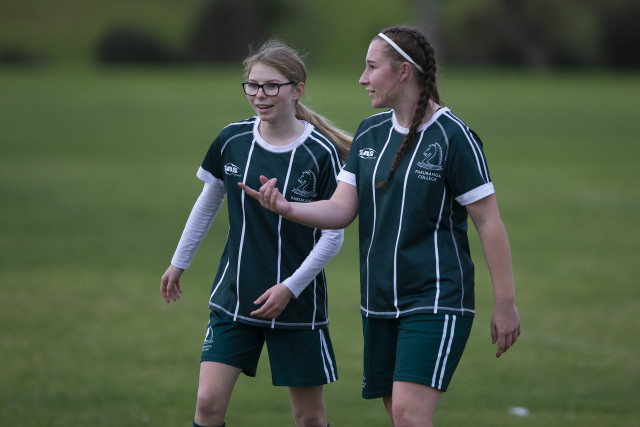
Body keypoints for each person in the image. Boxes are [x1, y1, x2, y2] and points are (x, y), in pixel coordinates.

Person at [239, 26, 521, 427]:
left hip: (436, 297)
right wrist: (287, 208)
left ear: (403, 72)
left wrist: (505, 302)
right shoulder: (370, 133)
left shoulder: (453, 137)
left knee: (407, 414)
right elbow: (341, 209)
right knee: (399, 416)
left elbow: (489, 221)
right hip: (379, 301)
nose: (363, 78)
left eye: (372, 67)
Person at [161, 39, 351, 427]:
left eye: (271, 86)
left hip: (298, 303)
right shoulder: (232, 140)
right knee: (207, 403)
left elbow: (334, 234)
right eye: (252, 85)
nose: (259, 95)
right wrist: (178, 263)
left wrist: (289, 289)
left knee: (309, 417)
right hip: (235, 296)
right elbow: (207, 203)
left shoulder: (321, 152)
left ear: (297, 89)